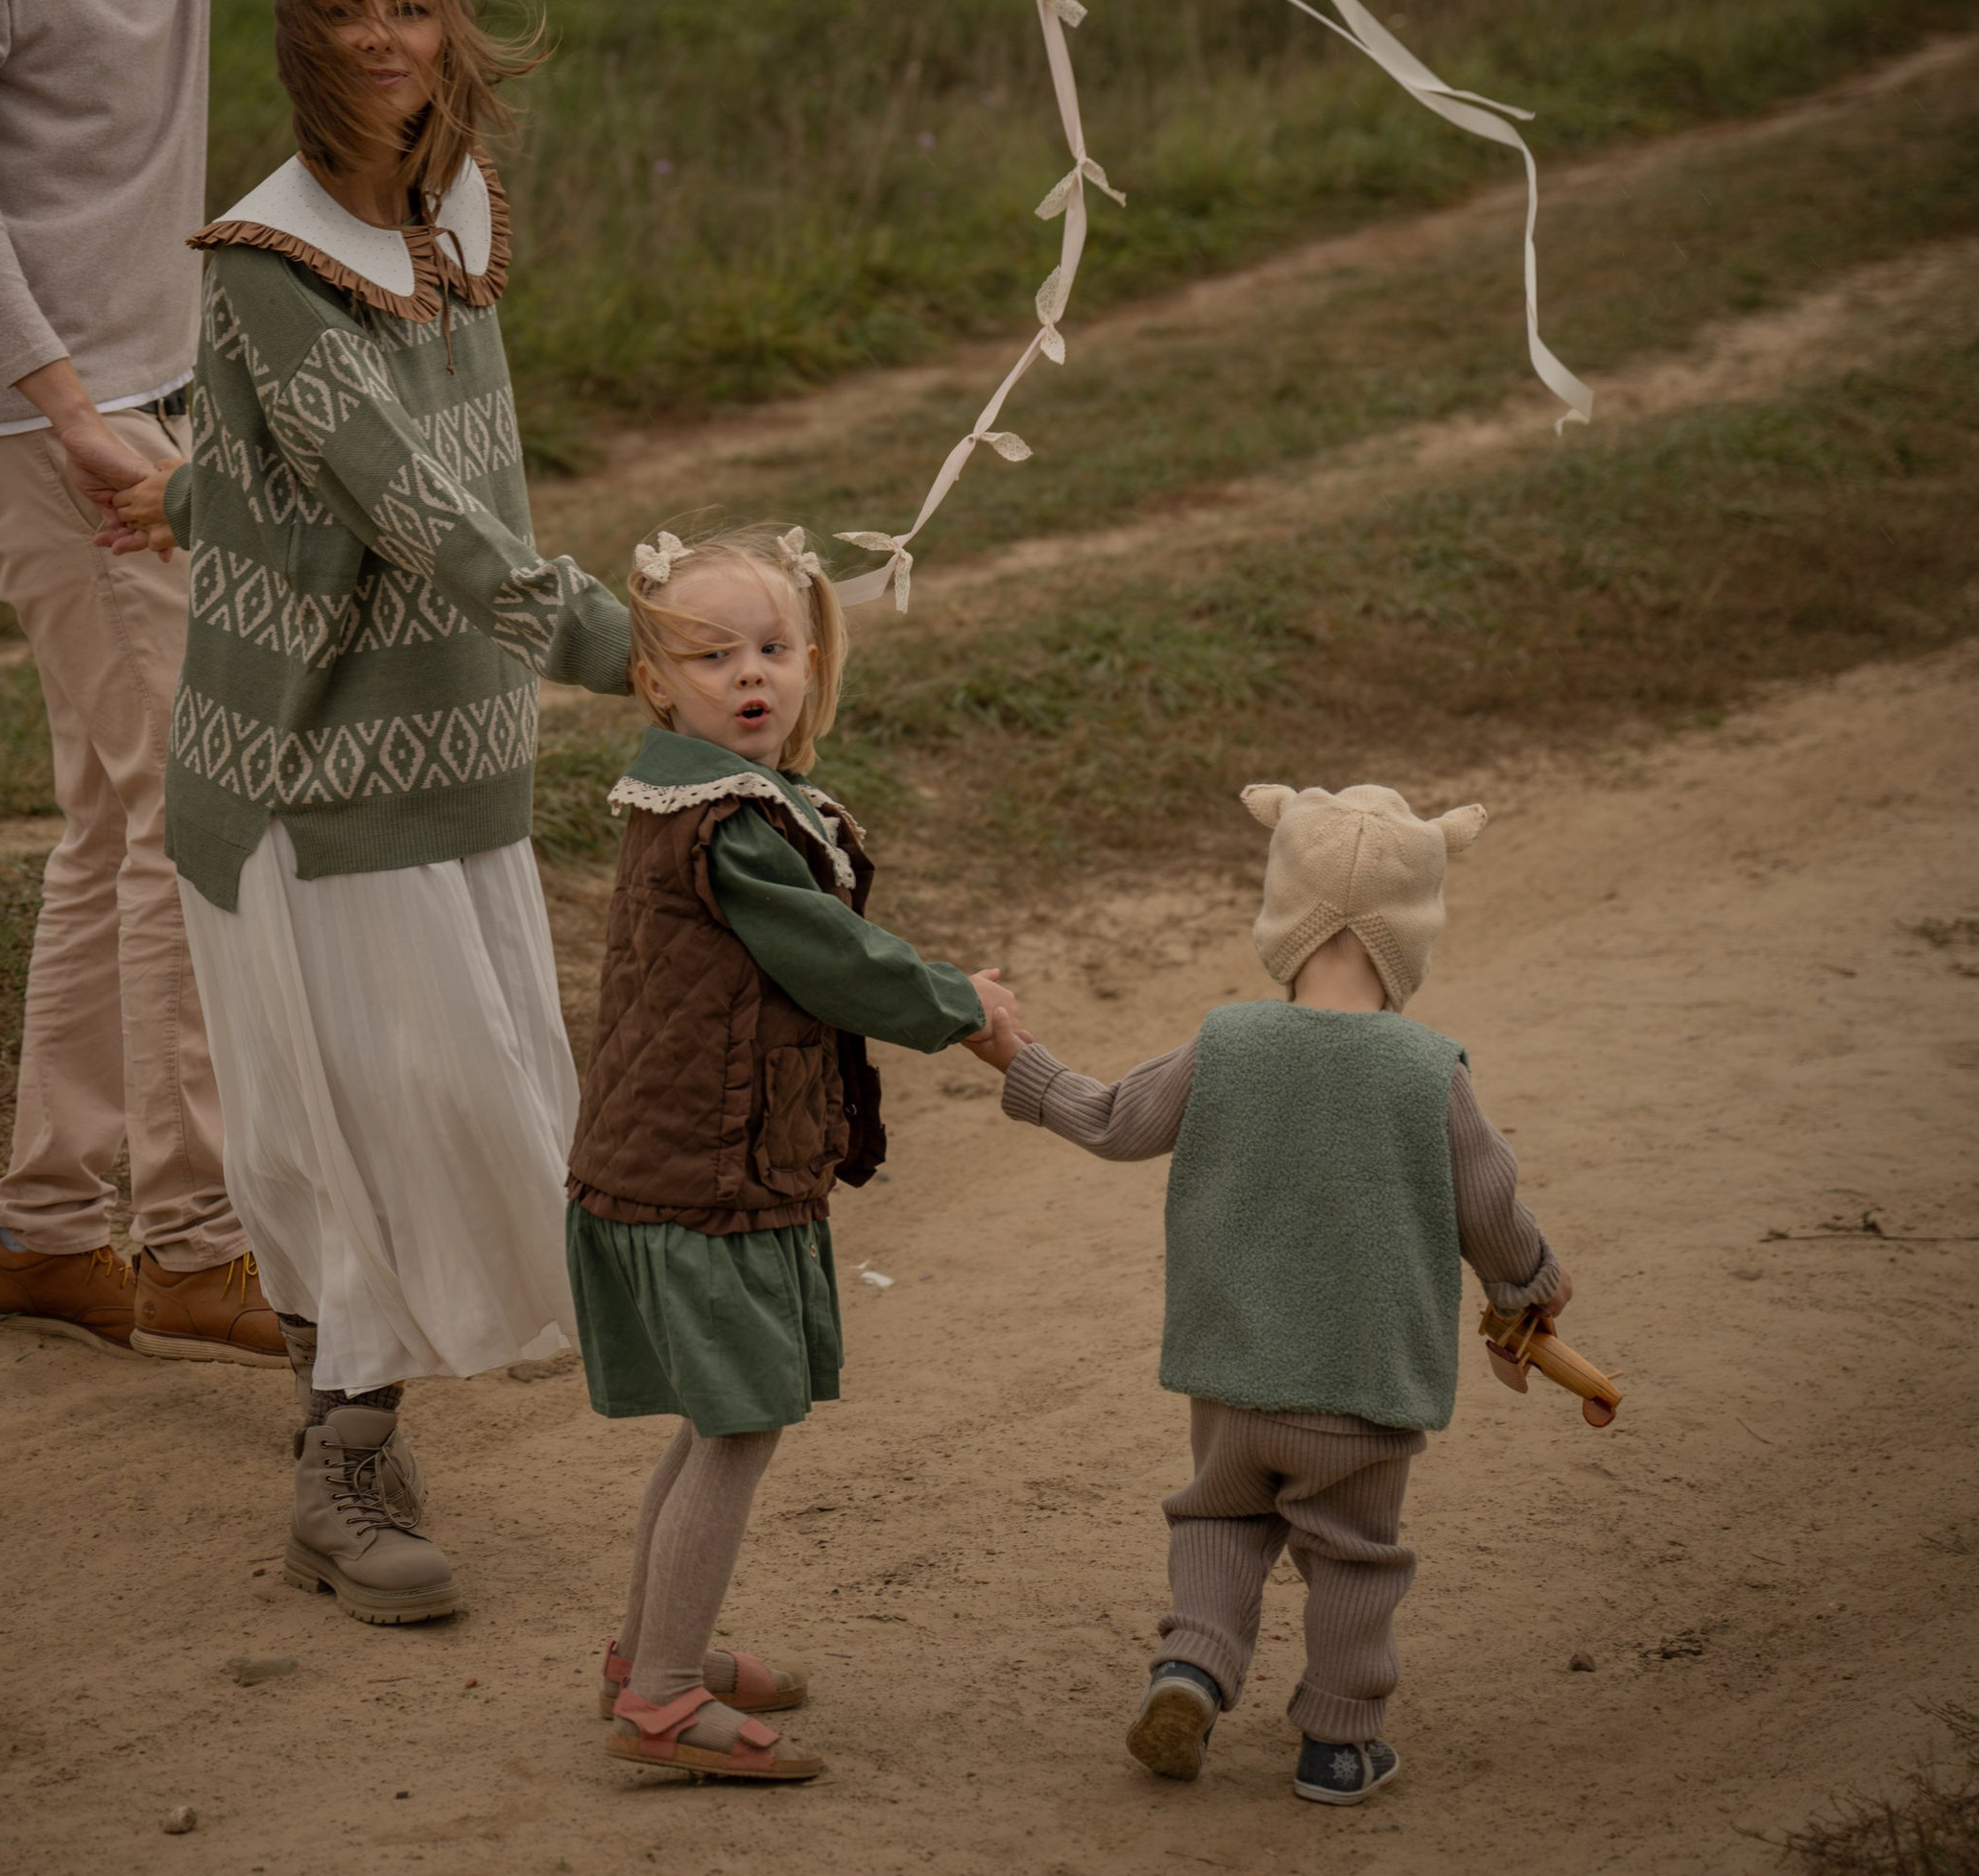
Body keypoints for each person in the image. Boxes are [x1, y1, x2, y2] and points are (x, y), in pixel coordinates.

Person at [0, 0, 727, 1363]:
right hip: (39, 433)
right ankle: (188, 1237)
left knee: (121, 814)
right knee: (200, 808)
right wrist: (70, 406)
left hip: (154, 415)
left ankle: (47, 1222)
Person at [105, 0, 638, 1617]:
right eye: (342, 12)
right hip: (308, 778)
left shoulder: (449, 215)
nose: (381, 38)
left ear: (448, 28)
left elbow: (337, 455)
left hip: (452, 748)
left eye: (408, 5)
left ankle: (356, 1423)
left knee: (462, 1102)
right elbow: (410, 506)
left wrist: (197, 489)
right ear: (297, 41)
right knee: (368, 1125)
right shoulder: (269, 258)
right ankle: (340, 1471)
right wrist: (621, 647)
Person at [968, 779, 1570, 1806]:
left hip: (1233, 1374)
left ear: (1280, 916)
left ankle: (1191, 1671)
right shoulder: (1430, 1072)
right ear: (1414, 933)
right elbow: (1491, 1209)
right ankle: (1337, 1745)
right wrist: (1529, 1293)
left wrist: (1015, 1058)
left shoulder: (1228, 1041)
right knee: (1351, 1557)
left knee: (1217, 1521)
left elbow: (1113, 1121)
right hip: (1361, 1386)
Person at [568, 526, 1007, 1783]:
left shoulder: (714, 800)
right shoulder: (725, 826)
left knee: (719, 1417)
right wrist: (955, 1001)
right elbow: (831, 957)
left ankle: (651, 1650)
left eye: (770, 647)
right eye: (711, 656)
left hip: (678, 1155)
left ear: (812, 661)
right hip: (705, 1171)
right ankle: (658, 1695)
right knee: (741, 1423)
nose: (746, 674)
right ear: (655, 684)